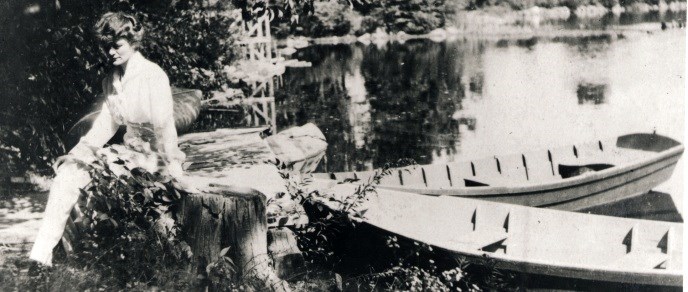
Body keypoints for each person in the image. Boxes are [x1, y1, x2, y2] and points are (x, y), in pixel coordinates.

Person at [29, 12, 186, 266]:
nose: (111, 52)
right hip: (127, 154)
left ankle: (76, 258)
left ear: (133, 42)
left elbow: (164, 128)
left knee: (95, 178)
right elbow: (105, 126)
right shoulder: (111, 81)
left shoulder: (152, 75)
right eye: (107, 46)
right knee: (68, 173)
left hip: (152, 158)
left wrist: (174, 169)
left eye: (117, 45)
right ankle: (41, 257)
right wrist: (76, 155)